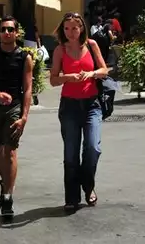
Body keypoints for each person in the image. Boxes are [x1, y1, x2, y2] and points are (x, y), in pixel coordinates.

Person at [50, 12, 109, 212]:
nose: (71, 32)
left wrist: (91, 74)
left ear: (82, 28)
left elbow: (104, 70)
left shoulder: (91, 45)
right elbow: (52, 79)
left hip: (92, 104)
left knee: (93, 148)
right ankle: (72, 197)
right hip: (69, 106)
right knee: (71, 154)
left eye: (74, 28)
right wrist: (68, 77)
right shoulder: (60, 50)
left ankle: (88, 185)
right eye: (66, 28)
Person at [0, 16, 34, 220]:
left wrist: (24, 116)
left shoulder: (24, 57)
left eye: (11, 30)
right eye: (3, 29)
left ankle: (7, 195)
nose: (7, 33)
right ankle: (6, 180)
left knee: (10, 151)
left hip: (14, 107)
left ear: (17, 33)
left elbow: (27, 88)